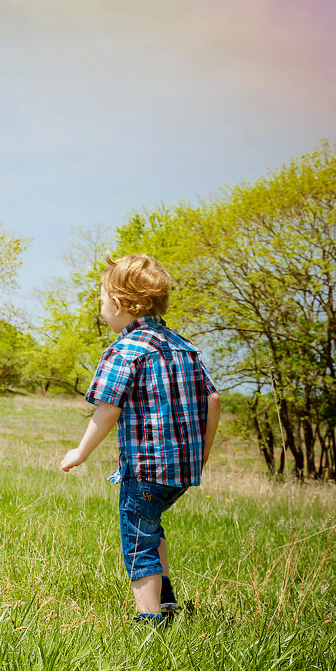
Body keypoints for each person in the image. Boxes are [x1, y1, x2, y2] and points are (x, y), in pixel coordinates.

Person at [60, 254, 220, 627]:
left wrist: (80, 452)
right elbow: (213, 399)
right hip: (183, 469)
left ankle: (150, 621)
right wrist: (204, 452)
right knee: (151, 527)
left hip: (146, 468)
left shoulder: (125, 349)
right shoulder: (184, 346)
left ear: (120, 303)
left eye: (102, 299)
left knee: (137, 540)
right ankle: (166, 603)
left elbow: (107, 409)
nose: (101, 307)